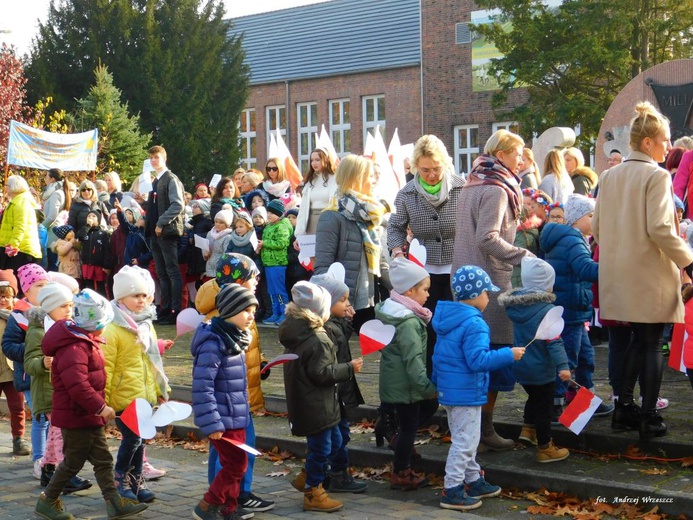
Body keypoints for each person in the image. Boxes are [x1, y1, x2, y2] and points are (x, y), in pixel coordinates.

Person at [593, 101, 693, 440]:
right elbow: (661, 229)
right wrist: (689, 261)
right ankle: (648, 416)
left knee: (637, 341)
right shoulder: (656, 175)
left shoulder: (609, 175)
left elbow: (598, 230)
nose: (670, 145)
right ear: (648, 142)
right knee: (651, 345)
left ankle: (624, 409)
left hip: (617, 274)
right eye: (665, 139)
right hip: (649, 274)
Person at [35, 289, 148, 520]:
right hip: (76, 417)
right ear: (94, 324)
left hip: (87, 416)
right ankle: (48, 500)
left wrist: (98, 408)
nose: (106, 327)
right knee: (73, 462)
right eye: (105, 323)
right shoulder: (74, 347)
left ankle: (114, 502)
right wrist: (99, 407)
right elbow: (77, 385)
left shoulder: (87, 341)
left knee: (103, 459)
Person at [452, 129, 533, 451]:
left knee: (471, 354)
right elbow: (488, 237)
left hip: (468, 277)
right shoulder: (498, 189)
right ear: (501, 154)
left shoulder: (474, 182)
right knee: (491, 355)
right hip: (489, 283)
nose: (522, 159)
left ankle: (473, 431)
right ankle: (484, 432)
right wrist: (524, 255)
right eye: (518, 153)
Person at [433, 265, 524, 511]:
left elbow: (439, 357)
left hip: (451, 392)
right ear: (475, 295)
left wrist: (437, 385)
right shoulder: (475, 324)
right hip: (467, 393)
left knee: (466, 438)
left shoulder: (449, 320)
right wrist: (508, 354)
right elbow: (478, 361)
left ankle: (473, 480)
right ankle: (452, 489)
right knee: (465, 442)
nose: (489, 298)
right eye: (487, 293)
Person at [197, 253, 275, 514]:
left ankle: (232, 495)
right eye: (253, 276)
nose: (258, 280)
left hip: (241, 391)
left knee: (234, 451)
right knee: (234, 452)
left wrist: (259, 363)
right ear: (239, 280)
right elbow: (207, 379)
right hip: (228, 399)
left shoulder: (244, 309)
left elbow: (246, 348)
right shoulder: (227, 316)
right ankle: (229, 497)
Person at [279, 281, 361, 513]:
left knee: (333, 442)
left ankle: (307, 476)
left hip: (319, 403)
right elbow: (322, 373)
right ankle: (313, 491)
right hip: (316, 405)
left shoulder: (303, 333)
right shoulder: (317, 339)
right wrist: (348, 367)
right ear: (320, 311)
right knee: (322, 446)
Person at [540, 194, 613, 420]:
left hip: (572, 308)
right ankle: (555, 406)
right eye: (591, 216)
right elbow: (585, 269)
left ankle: (584, 403)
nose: (595, 220)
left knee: (585, 358)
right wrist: (615, 266)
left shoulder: (565, 237)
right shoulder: (573, 239)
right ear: (577, 218)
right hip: (570, 309)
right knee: (569, 359)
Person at [103, 266, 170, 504]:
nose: (141, 300)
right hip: (123, 396)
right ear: (121, 298)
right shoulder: (112, 328)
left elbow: (153, 360)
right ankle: (120, 480)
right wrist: (104, 400)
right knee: (132, 440)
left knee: (141, 440)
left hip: (144, 395)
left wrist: (161, 389)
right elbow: (106, 367)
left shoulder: (146, 324)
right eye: (135, 296)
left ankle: (137, 480)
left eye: (144, 295)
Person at [190, 284, 258, 520]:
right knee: (236, 465)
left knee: (236, 464)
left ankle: (229, 509)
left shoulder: (235, 339)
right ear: (230, 310)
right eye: (246, 310)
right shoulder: (214, 342)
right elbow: (202, 387)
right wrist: (212, 423)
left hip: (235, 415)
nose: (251, 316)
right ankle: (208, 504)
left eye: (253, 310)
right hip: (222, 419)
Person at [499, 257, 571, 462]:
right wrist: (563, 366)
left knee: (534, 396)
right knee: (545, 408)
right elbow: (554, 342)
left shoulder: (516, 308)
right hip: (541, 368)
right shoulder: (548, 311)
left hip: (521, 365)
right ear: (547, 284)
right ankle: (545, 447)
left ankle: (527, 429)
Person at [375, 257, 437, 490]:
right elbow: (413, 361)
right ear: (410, 291)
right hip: (408, 384)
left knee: (420, 415)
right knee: (410, 426)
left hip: (396, 381)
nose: (428, 295)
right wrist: (426, 388)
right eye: (424, 290)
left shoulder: (391, 311)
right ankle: (401, 471)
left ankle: (394, 435)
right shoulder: (408, 322)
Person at [24, 282, 92, 490]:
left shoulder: (71, 328)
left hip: (64, 390)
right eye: (63, 306)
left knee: (56, 434)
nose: (69, 311)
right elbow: (29, 361)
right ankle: (67, 475)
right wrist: (42, 363)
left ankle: (48, 470)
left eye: (71, 306)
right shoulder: (38, 332)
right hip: (48, 392)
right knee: (63, 434)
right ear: (49, 308)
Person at [314, 154, 390, 330]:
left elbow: (379, 261)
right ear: (357, 178)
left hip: (369, 298)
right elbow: (323, 268)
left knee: (390, 347)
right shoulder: (331, 216)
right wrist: (339, 301)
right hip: (343, 304)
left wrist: (402, 289)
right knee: (338, 354)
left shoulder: (369, 214)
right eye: (370, 176)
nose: (374, 180)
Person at [309, 272, 367, 494]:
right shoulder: (325, 328)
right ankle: (336, 474)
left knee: (340, 433)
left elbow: (341, 339)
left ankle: (334, 473)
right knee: (338, 435)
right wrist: (349, 368)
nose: (348, 304)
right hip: (334, 390)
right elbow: (328, 364)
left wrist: (348, 321)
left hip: (339, 389)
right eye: (342, 300)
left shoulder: (333, 323)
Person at [2, 264, 50, 458]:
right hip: (27, 374)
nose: (44, 289)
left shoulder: (52, 311)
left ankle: (49, 455)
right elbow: (8, 346)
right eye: (39, 285)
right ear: (26, 290)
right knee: (40, 417)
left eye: (47, 285)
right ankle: (40, 458)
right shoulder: (18, 316)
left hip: (48, 374)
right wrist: (32, 349)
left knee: (49, 416)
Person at [144, 145, 186, 325]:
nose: (154, 160)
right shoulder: (156, 180)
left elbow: (178, 205)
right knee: (161, 273)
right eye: (151, 158)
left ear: (164, 158)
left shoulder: (171, 179)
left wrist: (161, 222)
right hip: (155, 233)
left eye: (157, 157)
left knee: (171, 271)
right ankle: (166, 308)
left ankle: (174, 310)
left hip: (166, 232)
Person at [0, 271, 28, 457]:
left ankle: (19, 439)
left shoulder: (18, 318)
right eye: (0, 296)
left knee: (17, 407)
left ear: (14, 297)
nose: (3, 300)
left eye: (7, 296)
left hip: (12, 369)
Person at [258, 199, 293, 325]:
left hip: (278, 263)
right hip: (268, 262)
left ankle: (285, 313)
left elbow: (282, 243)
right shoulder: (269, 226)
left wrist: (265, 243)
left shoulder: (282, 226)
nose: (269, 215)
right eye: (268, 212)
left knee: (279, 290)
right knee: (271, 290)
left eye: (272, 213)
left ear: (279, 214)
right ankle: (275, 312)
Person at [0, 175, 42, 272]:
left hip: (21, 250)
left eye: (7, 185)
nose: (5, 187)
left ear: (13, 186)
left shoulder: (21, 203)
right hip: (18, 248)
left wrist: (12, 246)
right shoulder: (18, 201)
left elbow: (20, 226)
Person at [295, 148, 338, 237]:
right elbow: (303, 209)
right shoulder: (311, 180)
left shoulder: (335, 179)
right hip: (311, 222)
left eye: (317, 160)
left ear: (326, 160)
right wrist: (299, 234)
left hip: (327, 222)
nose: (314, 163)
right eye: (312, 160)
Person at [41, 168, 72, 271]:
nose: (45, 179)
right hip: (53, 230)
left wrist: (41, 226)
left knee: (52, 264)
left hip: (53, 231)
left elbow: (52, 216)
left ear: (52, 179)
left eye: (47, 176)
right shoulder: (58, 192)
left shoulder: (56, 193)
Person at [80, 210, 113, 297]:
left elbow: (107, 250)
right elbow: (80, 236)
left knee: (100, 288)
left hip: (99, 266)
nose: (91, 218)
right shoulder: (85, 231)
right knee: (89, 287)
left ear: (98, 220)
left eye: (93, 216)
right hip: (87, 265)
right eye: (89, 216)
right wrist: (87, 226)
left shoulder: (103, 233)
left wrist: (107, 265)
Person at [204, 210, 234, 282]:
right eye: (216, 222)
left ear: (227, 224)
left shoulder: (228, 237)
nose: (217, 224)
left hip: (220, 269)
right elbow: (205, 247)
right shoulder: (210, 234)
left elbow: (226, 255)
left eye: (221, 222)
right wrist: (205, 254)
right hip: (209, 266)